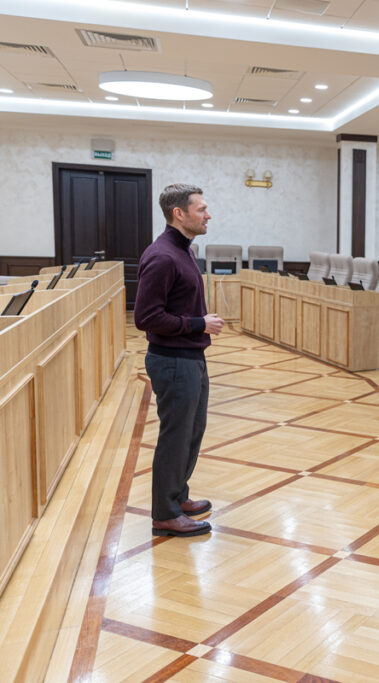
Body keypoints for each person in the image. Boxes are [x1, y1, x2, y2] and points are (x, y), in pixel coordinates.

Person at [134, 184, 223, 537]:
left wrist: (196, 328)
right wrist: (199, 323)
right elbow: (146, 317)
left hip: (190, 356)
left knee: (191, 433)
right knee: (176, 436)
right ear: (179, 214)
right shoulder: (162, 256)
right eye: (201, 209)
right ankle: (165, 513)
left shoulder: (184, 251)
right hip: (172, 361)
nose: (208, 214)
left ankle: (177, 495)